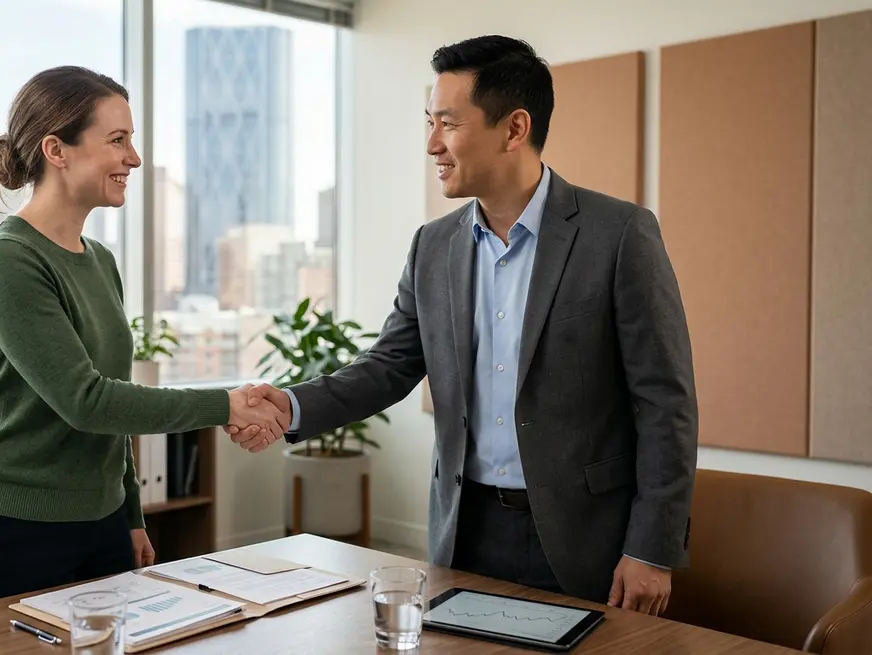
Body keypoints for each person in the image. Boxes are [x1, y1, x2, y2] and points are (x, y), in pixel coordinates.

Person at [228, 36, 698, 615]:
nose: (431, 144)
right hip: (464, 530)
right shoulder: (433, 245)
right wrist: (289, 407)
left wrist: (652, 549)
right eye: (429, 122)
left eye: (447, 123)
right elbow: (388, 366)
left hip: (587, 537)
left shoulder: (619, 234)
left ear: (514, 128)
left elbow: (665, 401)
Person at [0, 65, 285, 607]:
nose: (134, 157)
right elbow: (88, 402)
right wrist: (226, 405)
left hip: (102, 522)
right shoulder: (8, 259)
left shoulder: (99, 260)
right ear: (57, 150)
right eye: (118, 140)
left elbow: (112, 396)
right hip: (13, 530)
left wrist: (128, 515)